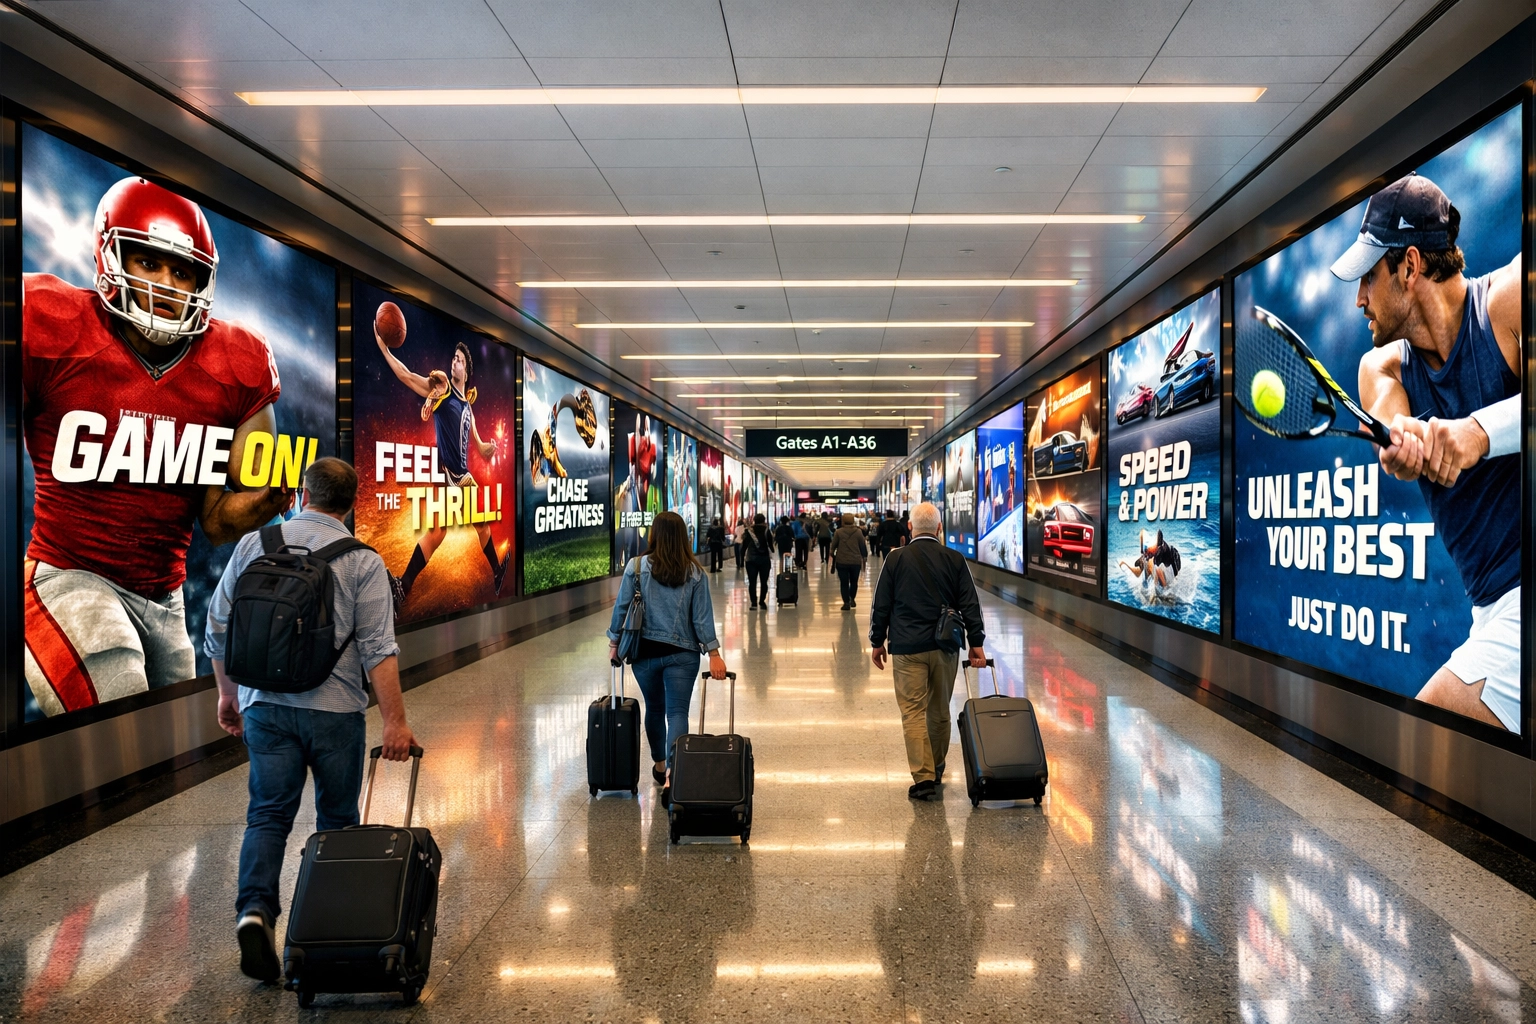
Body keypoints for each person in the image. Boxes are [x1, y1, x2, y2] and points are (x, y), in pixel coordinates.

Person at [23, 176, 295, 718]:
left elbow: (216, 523)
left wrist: (269, 497)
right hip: (69, 574)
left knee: (167, 748)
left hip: (165, 598)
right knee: (118, 696)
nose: (167, 283)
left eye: (183, 270)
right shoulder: (48, 320)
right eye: (149, 262)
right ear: (110, 254)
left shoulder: (236, 361)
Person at [206, 457, 414, 982]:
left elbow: (217, 627)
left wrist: (229, 695)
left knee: (268, 815)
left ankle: (254, 911)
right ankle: (330, 932)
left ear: (303, 492)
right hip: (335, 713)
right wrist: (395, 723)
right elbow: (377, 650)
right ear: (352, 503)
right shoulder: (363, 561)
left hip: (266, 708)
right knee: (338, 821)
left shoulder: (255, 544)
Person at [1332, 173, 1522, 731]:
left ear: (1409, 267)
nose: (1359, 298)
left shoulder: (1510, 301)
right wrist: (1401, 442)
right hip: (1489, 612)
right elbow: (1393, 425)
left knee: (1428, 743)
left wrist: (1477, 433)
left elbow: (1470, 435)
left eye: (1368, 276)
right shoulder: (1382, 368)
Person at [376, 329, 511, 612]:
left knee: (480, 524)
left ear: (467, 370)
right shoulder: (442, 389)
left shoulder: (467, 406)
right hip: (447, 474)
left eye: (459, 360)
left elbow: (479, 445)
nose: (454, 362)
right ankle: (403, 585)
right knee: (437, 532)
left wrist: (489, 447)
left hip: (463, 478)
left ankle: (496, 571)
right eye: (454, 358)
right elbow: (407, 376)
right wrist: (386, 351)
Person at [868, 502, 986, 801]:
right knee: (938, 710)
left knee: (912, 712)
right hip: (945, 646)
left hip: (907, 648)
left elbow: (882, 602)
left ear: (911, 527)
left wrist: (877, 640)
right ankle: (937, 765)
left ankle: (923, 779)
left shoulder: (895, 560)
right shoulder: (955, 558)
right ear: (939, 528)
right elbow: (970, 603)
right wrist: (977, 642)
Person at [607, 511, 728, 796]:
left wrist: (614, 644)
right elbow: (701, 619)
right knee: (677, 713)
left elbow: (621, 609)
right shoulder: (696, 573)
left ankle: (660, 766)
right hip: (683, 655)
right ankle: (676, 773)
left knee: (655, 708)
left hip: (644, 653)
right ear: (683, 537)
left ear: (654, 536)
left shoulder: (636, 568)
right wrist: (713, 653)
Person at [1120, 528, 1181, 600]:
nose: (1147, 553)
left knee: (1162, 573)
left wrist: (1164, 590)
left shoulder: (1158, 554)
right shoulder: (1153, 556)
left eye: (1147, 552)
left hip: (1173, 557)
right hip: (1165, 558)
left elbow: (1159, 534)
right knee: (1151, 566)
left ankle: (1164, 592)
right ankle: (1140, 571)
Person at [830, 513, 868, 611]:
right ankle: (852, 598)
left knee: (844, 582)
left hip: (841, 561)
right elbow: (862, 546)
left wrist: (832, 554)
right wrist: (864, 557)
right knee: (854, 581)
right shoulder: (858, 532)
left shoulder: (838, 532)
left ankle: (846, 602)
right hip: (855, 561)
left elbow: (833, 546)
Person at [743, 513, 773, 609]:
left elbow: (744, 546)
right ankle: (762, 602)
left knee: (752, 582)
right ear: (764, 521)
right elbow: (771, 546)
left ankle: (753, 603)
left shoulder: (749, 531)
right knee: (764, 581)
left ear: (754, 520)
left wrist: (741, 557)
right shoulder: (767, 530)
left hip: (751, 559)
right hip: (764, 559)